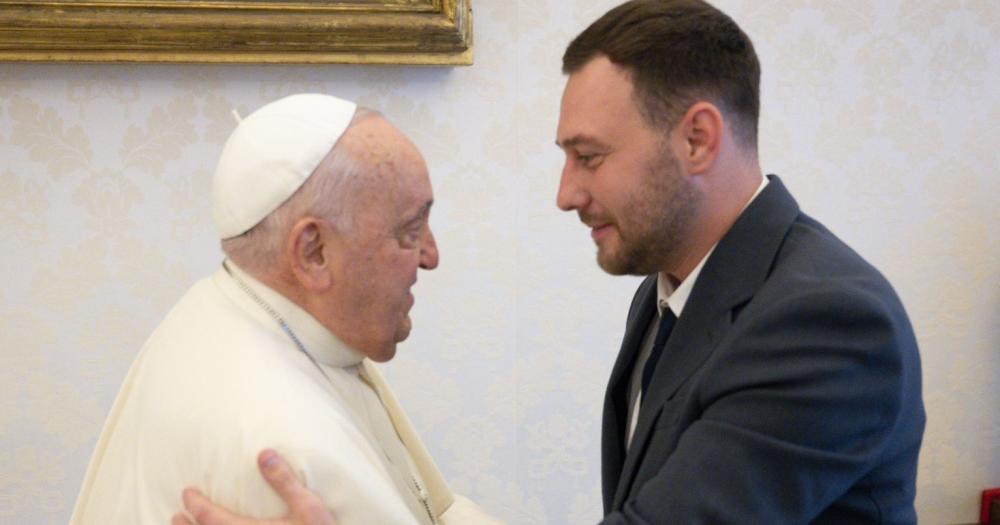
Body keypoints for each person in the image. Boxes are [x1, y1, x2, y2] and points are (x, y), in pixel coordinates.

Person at [171, 0, 925, 523]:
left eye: (589, 157)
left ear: (696, 139)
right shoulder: (669, 289)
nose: (566, 194)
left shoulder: (825, 322)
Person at [70, 93, 498, 525]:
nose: (431, 255)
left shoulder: (223, 308)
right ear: (313, 252)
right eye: (410, 229)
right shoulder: (287, 455)